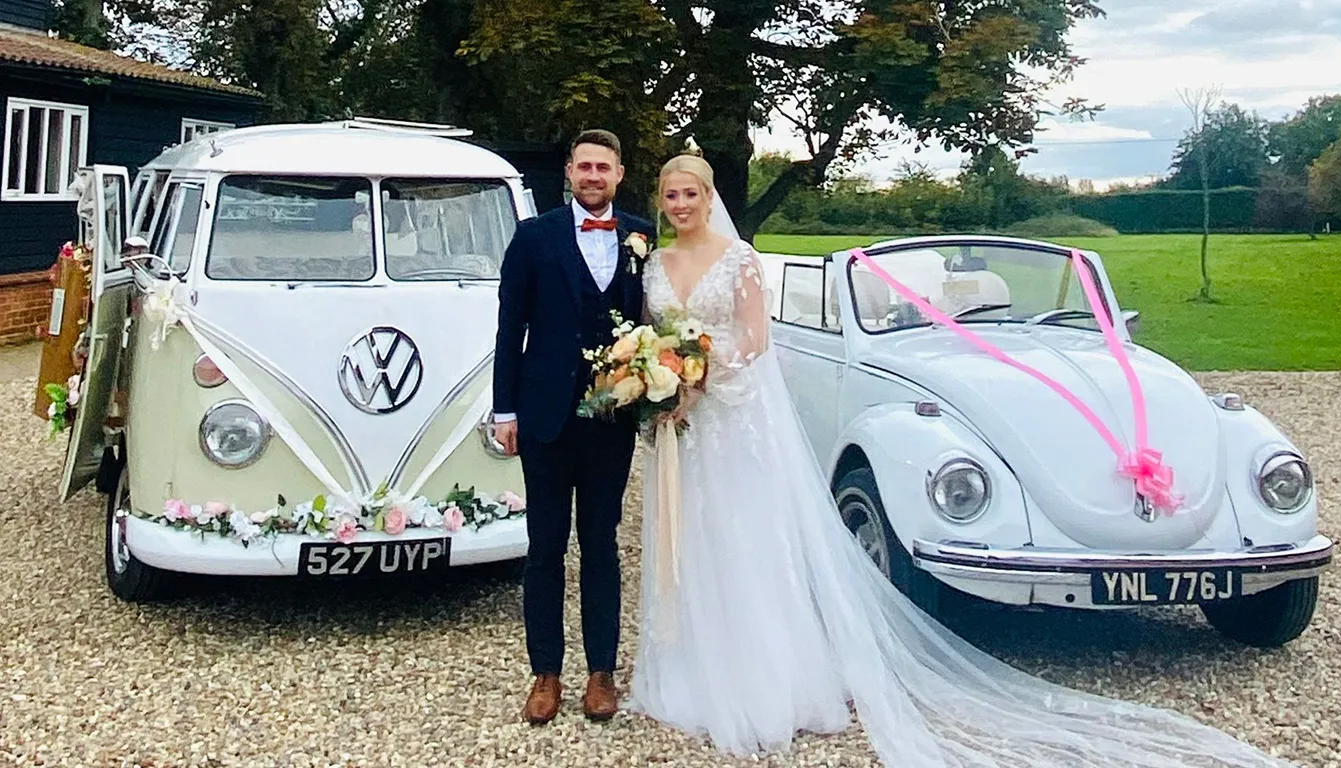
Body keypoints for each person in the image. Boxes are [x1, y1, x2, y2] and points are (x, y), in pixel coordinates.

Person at [625, 151, 1296, 768]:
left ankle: (765, 674)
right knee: (697, 539)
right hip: (685, 421)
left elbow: (752, 337)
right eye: (671, 193)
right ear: (663, 199)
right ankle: (695, 667)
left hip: (721, 405)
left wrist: (699, 377)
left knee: (748, 539)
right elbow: (663, 332)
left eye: (691, 192)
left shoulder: (737, 258)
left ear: (710, 197)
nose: (681, 202)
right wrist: (666, 382)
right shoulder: (655, 262)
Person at [492, 129, 657, 725]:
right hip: (543, 416)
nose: (592, 176)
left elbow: (655, 321)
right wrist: (503, 409)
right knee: (544, 549)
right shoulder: (533, 237)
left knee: (602, 547)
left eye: (603, 168)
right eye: (583, 166)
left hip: (611, 418)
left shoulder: (642, 234)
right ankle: (545, 673)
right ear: (568, 172)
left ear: (618, 174)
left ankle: (601, 672)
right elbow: (510, 329)